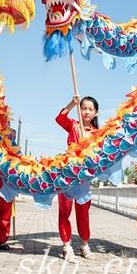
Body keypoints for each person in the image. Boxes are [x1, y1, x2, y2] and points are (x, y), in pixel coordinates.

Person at [55, 95, 99, 261]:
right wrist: (72, 104)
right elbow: (60, 118)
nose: (86, 111)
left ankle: (84, 245)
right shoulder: (73, 125)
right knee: (64, 212)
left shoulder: (97, 134)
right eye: (83, 108)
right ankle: (66, 245)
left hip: (84, 178)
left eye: (90, 109)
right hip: (67, 175)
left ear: (95, 113)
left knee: (83, 214)